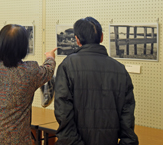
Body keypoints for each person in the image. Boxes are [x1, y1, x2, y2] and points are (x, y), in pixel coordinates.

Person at [54, 17, 138, 145]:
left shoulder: (68, 65)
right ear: (102, 37)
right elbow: (127, 115)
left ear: (77, 39)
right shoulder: (119, 69)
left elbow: (63, 111)